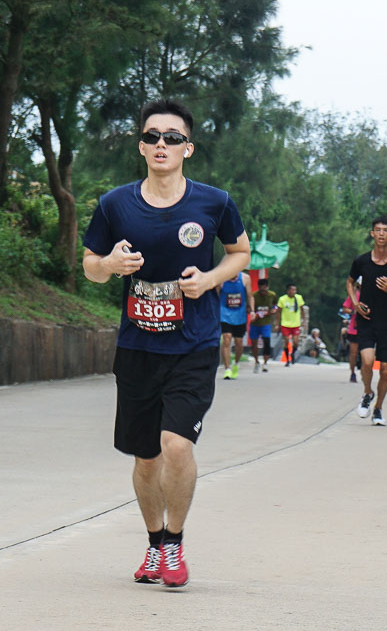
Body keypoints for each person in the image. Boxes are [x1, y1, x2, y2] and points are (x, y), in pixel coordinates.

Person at [82, 98, 250, 589]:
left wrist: (212, 278)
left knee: (176, 447)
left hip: (193, 345)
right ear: (141, 146)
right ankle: (154, 544)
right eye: (152, 136)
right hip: (137, 348)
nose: (161, 144)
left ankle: (174, 545)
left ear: (187, 148)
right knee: (145, 457)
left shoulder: (213, 202)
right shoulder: (115, 204)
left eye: (171, 137)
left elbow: (240, 252)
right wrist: (109, 265)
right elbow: (90, 265)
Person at [347, 215, 387, 426]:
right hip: (366, 319)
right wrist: (355, 304)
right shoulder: (361, 261)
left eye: (386, 230)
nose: (381, 234)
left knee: (385, 369)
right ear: (372, 233)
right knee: (366, 361)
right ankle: (367, 392)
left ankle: (378, 408)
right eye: (378, 230)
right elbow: (349, 282)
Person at [218, 272, 253, 380]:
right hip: (225, 314)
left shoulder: (245, 278)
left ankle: (236, 364)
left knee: (239, 342)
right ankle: (227, 369)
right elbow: (216, 295)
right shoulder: (221, 279)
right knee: (226, 339)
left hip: (240, 315)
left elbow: (250, 296)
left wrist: (252, 310)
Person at [248, 278, 277, 373]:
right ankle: (256, 361)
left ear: (267, 287)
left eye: (264, 289)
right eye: (261, 289)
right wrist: (253, 313)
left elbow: (276, 305)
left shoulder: (272, 295)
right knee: (254, 344)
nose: (263, 291)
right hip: (255, 323)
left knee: (266, 342)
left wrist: (274, 310)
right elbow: (248, 308)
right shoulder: (254, 296)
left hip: (266, 323)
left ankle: (265, 362)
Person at [276, 284, 307, 366]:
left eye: (295, 290)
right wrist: (277, 324)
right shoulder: (282, 299)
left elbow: (302, 309)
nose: (293, 292)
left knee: (296, 342)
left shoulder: (298, 298)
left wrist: (303, 321)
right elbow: (279, 311)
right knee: (286, 341)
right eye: (292, 290)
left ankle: (293, 353)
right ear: (288, 291)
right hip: (285, 323)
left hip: (295, 323)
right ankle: (287, 360)